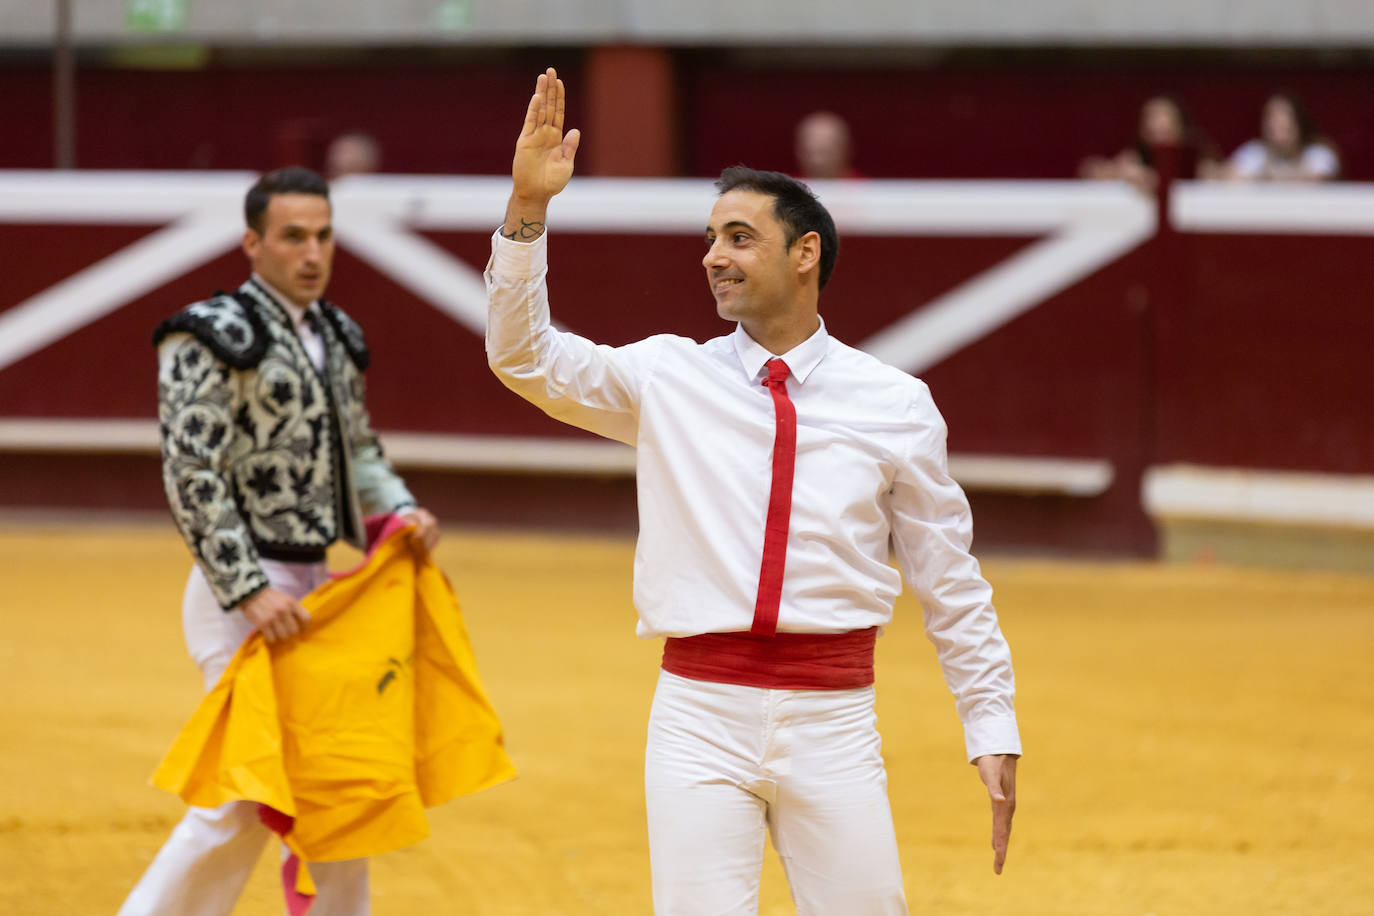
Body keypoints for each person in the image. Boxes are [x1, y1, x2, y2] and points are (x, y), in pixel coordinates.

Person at [486, 68, 1020, 915]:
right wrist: (527, 210)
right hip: (698, 711)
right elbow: (524, 358)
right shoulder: (669, 375)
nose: (712, 256)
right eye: (710, 237)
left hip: (835, 720)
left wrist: (990, 723)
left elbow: (947, 577)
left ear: (805, 251)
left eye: (738, 237)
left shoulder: (894, 404)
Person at [120, 166, 440, 916]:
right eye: (294, 236)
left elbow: (358, 450)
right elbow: (192, 470)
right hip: (239, 590)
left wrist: (401, 509)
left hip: (317, 590)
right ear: (252, 243)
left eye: (323, 236)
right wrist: (248, 587)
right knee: (240, 792)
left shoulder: (335, 332)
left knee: (337, 784)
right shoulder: (209, 332)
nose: (312, 253)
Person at [1079, 95, 1218, 191]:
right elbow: (1090, 169)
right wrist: (1120, 173)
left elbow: (1229, 174)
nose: (1158, 125)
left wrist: (1212, 175)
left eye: (1166, 132)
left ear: (1181, 129)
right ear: (1142, 131)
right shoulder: (1135, 157)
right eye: (1154, 130)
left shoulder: (1198, 157)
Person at [1207, 92, 1340, 182]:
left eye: (1285, 125)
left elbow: (1317, 181)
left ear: (1299, 124)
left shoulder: (1318, 153)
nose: (1277, 126)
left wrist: (1263, 178)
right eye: (1272, 120)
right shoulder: (1256, 152)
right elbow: (1226, 178)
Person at [794, 110, 864, 180]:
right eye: (809, 153)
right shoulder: (787, 188)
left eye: (824, 152)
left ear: (846, 150)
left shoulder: (866, 188)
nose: (816, 161)